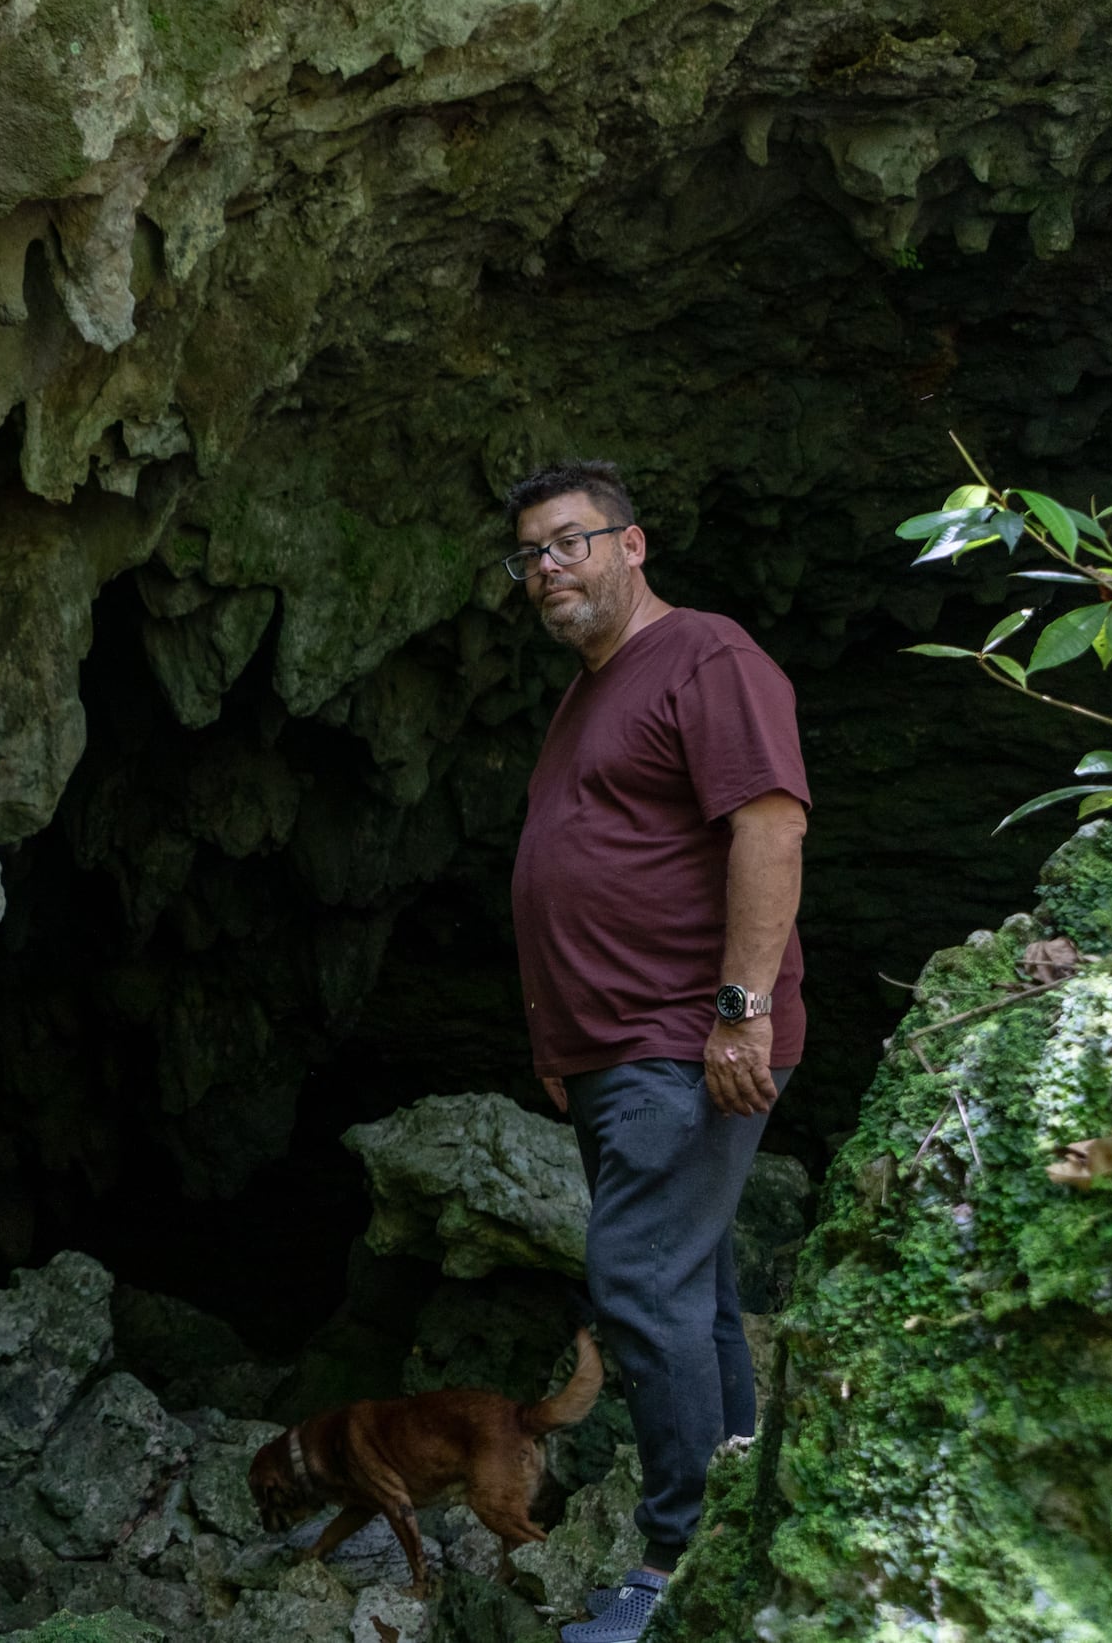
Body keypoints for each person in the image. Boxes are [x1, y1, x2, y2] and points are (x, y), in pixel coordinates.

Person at [502, 460, 808, 1643]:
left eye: (570, 542)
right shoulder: (589, 693)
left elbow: (767, 820)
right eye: (529, 555)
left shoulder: (705, 657)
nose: (547, 569)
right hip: (610, 1054)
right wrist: (558, 1041)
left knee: (636, 1279)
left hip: (684, 1040)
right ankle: (737, 1526)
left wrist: (742, 1009)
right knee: (694, 1290)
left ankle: (677, 1560)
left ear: (633, 545)